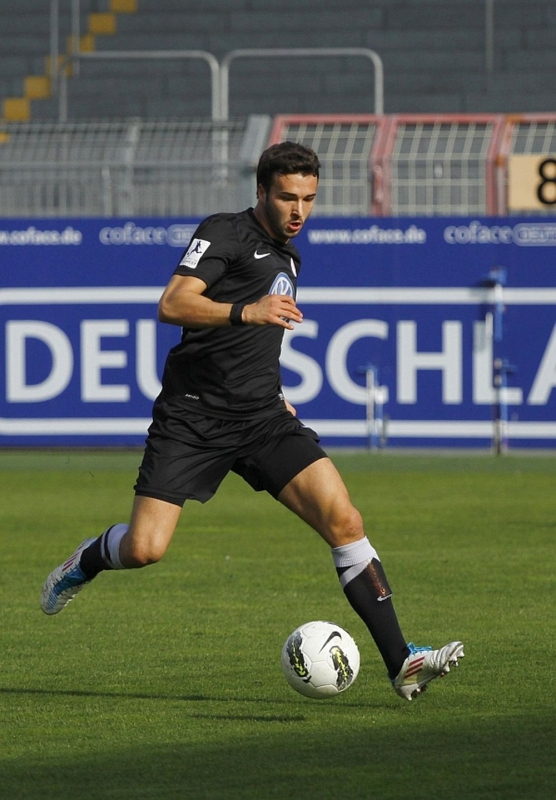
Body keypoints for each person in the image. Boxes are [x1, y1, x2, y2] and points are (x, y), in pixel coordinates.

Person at [40, 141, 464, 701]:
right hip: (193, 417)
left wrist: (276, 393)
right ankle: (88, 559)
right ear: (261, 191)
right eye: (287, 197)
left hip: (263, 418)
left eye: (308, 198)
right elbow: (172, 303)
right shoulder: (224, 232)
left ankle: (402, 662)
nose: (299, 210)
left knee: (344, 520)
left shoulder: (290, 258)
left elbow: (258, 345)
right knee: (145, 548)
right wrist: (247, 310)